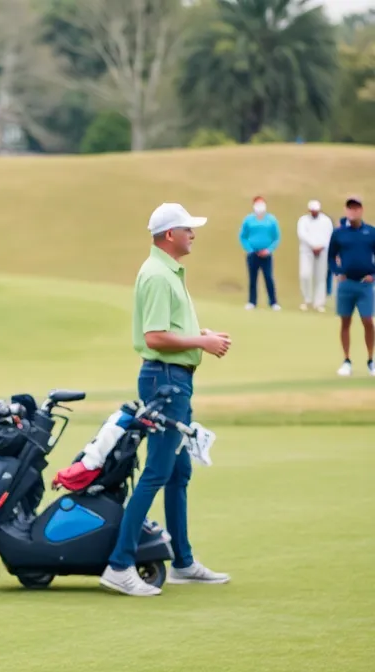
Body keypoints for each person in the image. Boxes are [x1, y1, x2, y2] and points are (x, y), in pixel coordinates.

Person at [100, 203, 232, 597]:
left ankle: (184, 562)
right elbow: (155, 336)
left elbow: (168, 329)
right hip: (165, 380)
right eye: (188, 229)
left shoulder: (167, 271)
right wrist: (202, 342)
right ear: (169, 234)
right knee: (158, 470)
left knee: (178, 473)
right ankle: (120, 565)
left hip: (175, 380)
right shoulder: (158, 275)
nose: (194, 234)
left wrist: (198, 333)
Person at [327, 195, 375, 377]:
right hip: (346, 285)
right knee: (345, 322)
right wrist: (337, 272)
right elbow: (331, 257)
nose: (352, 211)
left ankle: (371, 360)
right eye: (350, 208)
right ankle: (346, 360)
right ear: (346, 211)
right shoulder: (339, 233)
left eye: (356, 208)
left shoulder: (371, 232)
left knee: (368, 321)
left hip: (365, 285)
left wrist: (373, 275)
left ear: (361, 210)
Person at [239, 195, 281, 310]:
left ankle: (273, 302)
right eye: (257, 203)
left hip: (266, 254)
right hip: (253, 254)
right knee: (252, 278)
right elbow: (243, 236)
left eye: (262, 203)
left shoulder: (271, 220)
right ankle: (252, 302)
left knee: (268, 277)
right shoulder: (248, 220)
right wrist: (250, 249)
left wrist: (269, 250)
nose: (260, 206)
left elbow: (276, 237)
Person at [297, 199, 333, 312]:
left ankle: (319, 303)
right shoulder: (303, 220)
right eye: (312, 211)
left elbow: (329, 235)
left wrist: (320, 247)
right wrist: (313, 246)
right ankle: (307, 300)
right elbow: (302, 234)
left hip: (322, 251)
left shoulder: (326, 221)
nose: (314, 212)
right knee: (305, 274)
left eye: (316, 210)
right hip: (307, 251)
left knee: (320, 277)